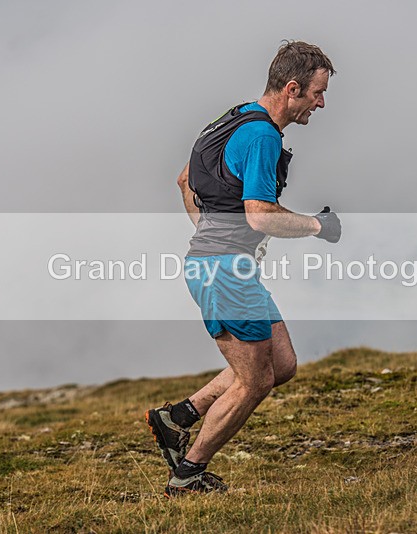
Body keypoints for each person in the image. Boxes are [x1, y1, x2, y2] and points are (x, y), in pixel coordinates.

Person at [146, 40, 342, 497]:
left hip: (223, 266)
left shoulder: (234, 117)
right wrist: (317, 226)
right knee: (255, 381)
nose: (322, 102)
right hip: (223, 272)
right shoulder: (263, 136)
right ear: (293, 88)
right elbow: (258, 213)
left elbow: (183, 180)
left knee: (282, 363)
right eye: (317, 92)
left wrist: (211, 234)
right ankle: (188, 474)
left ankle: (177, 418)